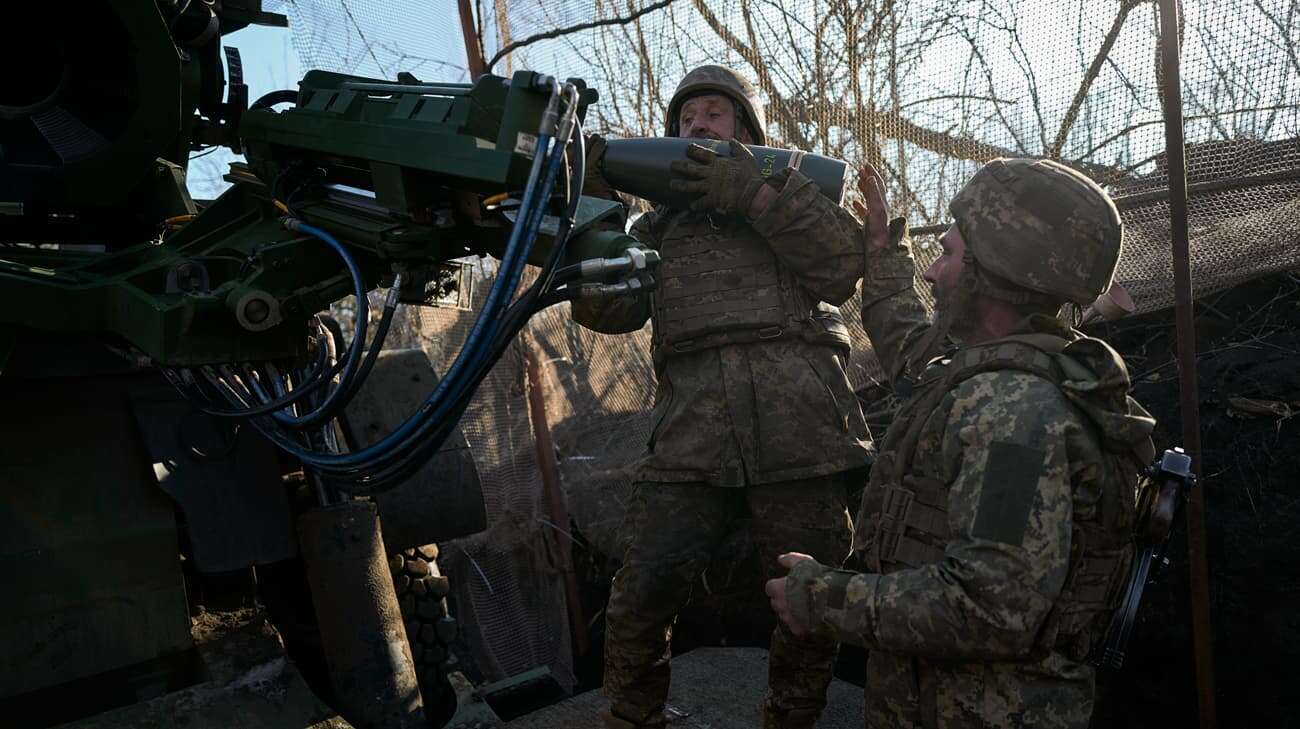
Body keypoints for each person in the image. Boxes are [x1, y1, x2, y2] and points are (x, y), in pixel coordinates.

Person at [765, 158, 1157, 728]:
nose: (930, 273)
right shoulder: (998, 371)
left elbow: (989, 605)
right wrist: (882, 249)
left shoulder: (1016, 414)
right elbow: (912, 349)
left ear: (991, 273)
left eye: (947, 255)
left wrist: (821, 598)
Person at [576, 65, 873, 729]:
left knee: (808, 597)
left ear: (745, 129)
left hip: (799, 428)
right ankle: (631, 714)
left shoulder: (792, 198)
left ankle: (790, 718)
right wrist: (598, 214)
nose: (696, 127)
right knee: (643, 586)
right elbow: (606, 311)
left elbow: (842, 269)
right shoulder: (658, 232)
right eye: (685, 119)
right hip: (691, 434)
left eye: (713, 113)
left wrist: (758, 198)